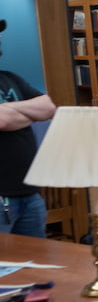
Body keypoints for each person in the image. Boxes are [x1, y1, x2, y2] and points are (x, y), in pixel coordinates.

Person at [0, 18, 57, 237]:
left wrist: (8, 110)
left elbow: (48, 108)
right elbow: (2, 121)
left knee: (35, 262)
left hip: (30, 194)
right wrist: (27, 114)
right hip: (2, 197)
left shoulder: (10, 78)